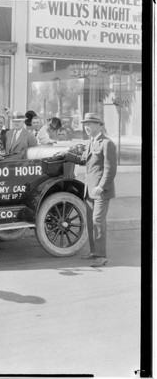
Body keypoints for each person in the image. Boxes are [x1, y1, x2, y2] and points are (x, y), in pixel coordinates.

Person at [57, 113, 117, 267]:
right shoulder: (91, 142)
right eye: (85, 124)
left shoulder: (107, 144)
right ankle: (94, 252)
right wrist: (67, 155)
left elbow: (110, 170)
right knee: (90, 221)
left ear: (99, 125)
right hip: (89, 189)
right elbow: (84, 160)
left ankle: (101, 256)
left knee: (98, 221)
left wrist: (101, 186)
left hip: (101, 190)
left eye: (89, 124)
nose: (86, 127)